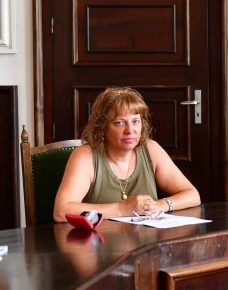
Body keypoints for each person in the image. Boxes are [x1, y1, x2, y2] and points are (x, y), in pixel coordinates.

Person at [53, 87, 201, 222]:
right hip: (99, 241)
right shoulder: (85, 156)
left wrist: (159, 205)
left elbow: (193, 195)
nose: (130, 130)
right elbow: (61, 212)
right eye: (119, 122)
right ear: (102, 127)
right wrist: (121, 209)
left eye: (135, 121)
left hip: (146, 240)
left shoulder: (151, 149)